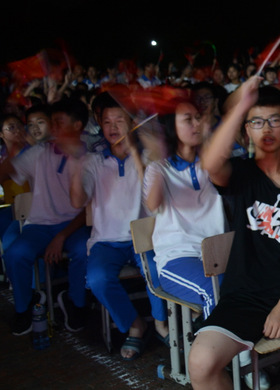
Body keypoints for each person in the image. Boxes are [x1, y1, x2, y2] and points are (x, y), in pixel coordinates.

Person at [188, 80, 280, 390]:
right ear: (247, 129)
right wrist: (239, 109)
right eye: (257, 122)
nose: (267, 128)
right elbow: (210, 163)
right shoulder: (242, 173)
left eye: (275, 120)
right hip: (244, 295)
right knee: (200, 362)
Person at [70, 93, 169, 358]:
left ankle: (161, 324)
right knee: (97, 279)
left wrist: (135, 153)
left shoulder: (147, 156)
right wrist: (76, 166)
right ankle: (135, 325)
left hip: (143, 238)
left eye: (119, 121)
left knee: (157, 271)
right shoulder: (93, 161)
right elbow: (77, 201)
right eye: (107, 122)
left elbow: (152, 197)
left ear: (132, 124)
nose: (113, 127)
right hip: (106, 241)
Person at [2, 98, 91, 335]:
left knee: (83, 250)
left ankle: (76, 303)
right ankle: (24, 306)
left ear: (77, 125)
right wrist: (14, 150)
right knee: (15, 253)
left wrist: (60, 237)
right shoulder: (39, 153)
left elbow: (87, 209)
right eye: (53, 122)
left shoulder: (89, 157)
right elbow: (5, 174)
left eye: (59, 122)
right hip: (39, 225)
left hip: (74, 225)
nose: (53, 127)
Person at [143, 100, 226, 321]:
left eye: (198, 118)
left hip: (218, 254)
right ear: (172, 127)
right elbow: (152, 204)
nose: (196, 124)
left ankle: (218, 335)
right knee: (215, 289)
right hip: (178, 258)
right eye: (188, 120)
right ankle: (217, 343)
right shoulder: (158, 168)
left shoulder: (210, 164)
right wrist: (157, 154)